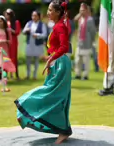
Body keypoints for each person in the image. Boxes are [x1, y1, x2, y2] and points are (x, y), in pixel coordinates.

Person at [14, 0, 72, 144]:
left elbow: (65, 47)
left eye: (51, 10)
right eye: (48, 10)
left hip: (60, 64)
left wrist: (50, 59)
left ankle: (26, 106)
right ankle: (63, 129)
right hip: (56, 63)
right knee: (55, 96)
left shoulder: (60, 27)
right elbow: (57, 47)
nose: (48, 13)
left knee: (53, 95)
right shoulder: (57, 26)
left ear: (58, 12)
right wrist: (49, 58)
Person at [0, 15, 16, 92]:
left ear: (4, 22)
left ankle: (4, 79)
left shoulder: (7, 30)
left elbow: (10, 41)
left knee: (5, 63)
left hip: (5, 49)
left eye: (1, 21)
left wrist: (5, 41)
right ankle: (1, 78)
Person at [74, 3, 96, 80]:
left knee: (86, 61)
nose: (81, 11)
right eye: (80, 10)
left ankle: (85, 75)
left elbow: (93, 31)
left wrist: (92, 41)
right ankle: (78, 74)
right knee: (77, 60)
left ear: (87, 11)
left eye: (83, 10)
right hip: (79, 43)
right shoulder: (80, 19)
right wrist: (80, 14)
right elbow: (75, 18)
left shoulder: (90, 20)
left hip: (87, 43)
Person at [22, 10, 47, 80]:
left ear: (38, 17)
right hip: (29, 43)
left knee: (36, 59)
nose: (33, 17)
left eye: (35, 15)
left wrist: (38, 35)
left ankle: (34, 75)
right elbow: (23, 32)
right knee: (28, 60)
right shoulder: (29, 23)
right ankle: (27, 75)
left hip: (38, 44)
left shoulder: (42, 24)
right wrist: (26, 30)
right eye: (33, 15)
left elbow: (44, 35)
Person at [5, 9, 21, 80]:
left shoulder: (16, 22)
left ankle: (16, 74)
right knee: (6, 58)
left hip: (13, 42)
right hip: (6, 42)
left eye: (7, 14)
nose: (6, 16)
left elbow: (17, 32)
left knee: (14, 58)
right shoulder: (5, 22)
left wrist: (10, 30)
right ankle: (7, 74)